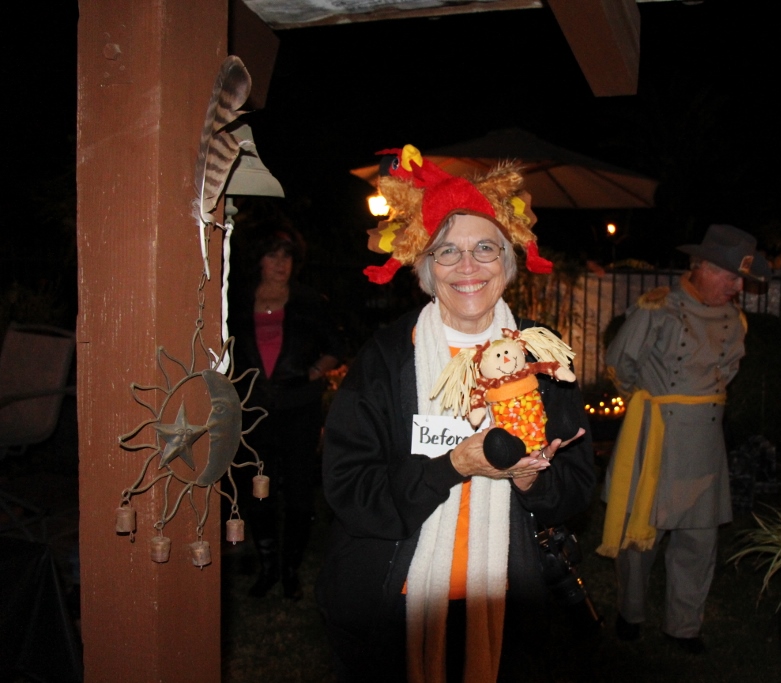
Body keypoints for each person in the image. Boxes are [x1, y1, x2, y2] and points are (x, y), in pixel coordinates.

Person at [315, 145, 595, 683]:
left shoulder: (542, 356)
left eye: (485, 248)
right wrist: (453, 466)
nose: (468, 266)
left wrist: (532, 481)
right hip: (394, 602)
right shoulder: (386, 357)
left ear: (507, 263)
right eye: (447, 251)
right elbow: (349, 488)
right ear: (425, 267)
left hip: (509, 603)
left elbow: (577, 486)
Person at [597, 224, 770, 653]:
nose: (737, 287)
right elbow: (620, 363)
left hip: (706, 443)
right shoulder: (658, 309)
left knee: (699, 537)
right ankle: (630, 613)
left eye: (741, 280)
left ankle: (684, 626)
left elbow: (726, 372)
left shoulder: (734, 320)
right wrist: (649, 404)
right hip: (658, 436)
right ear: (702, 267)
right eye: (730, 276)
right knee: (641, 536)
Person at [228, 221, 345, 600]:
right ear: (259, 260)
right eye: (272, 255)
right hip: (253, 409)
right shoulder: (236, 301)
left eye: (287, 257)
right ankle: (267, 568)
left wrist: (311, 373)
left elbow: (335, 347)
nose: (280, 264)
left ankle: (290, 569)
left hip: (299, 409)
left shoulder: (309, 301)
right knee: (258, 490)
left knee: (297, 493)